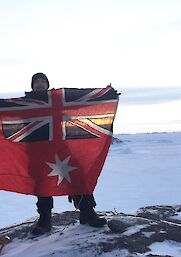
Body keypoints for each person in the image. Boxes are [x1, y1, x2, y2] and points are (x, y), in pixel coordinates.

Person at [29, 72, 107, 235]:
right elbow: (1, 112)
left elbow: (80, 98)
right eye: (36, 81)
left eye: (43, 80)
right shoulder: (25, 103)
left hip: (60, 148)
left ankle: (87, 212)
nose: (40, 83)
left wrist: (104, 95)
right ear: (32, 85)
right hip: (37, 151)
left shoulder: (58, 99)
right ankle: (45, 220)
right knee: (42, 185)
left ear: (47, 84)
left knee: (77, 177)